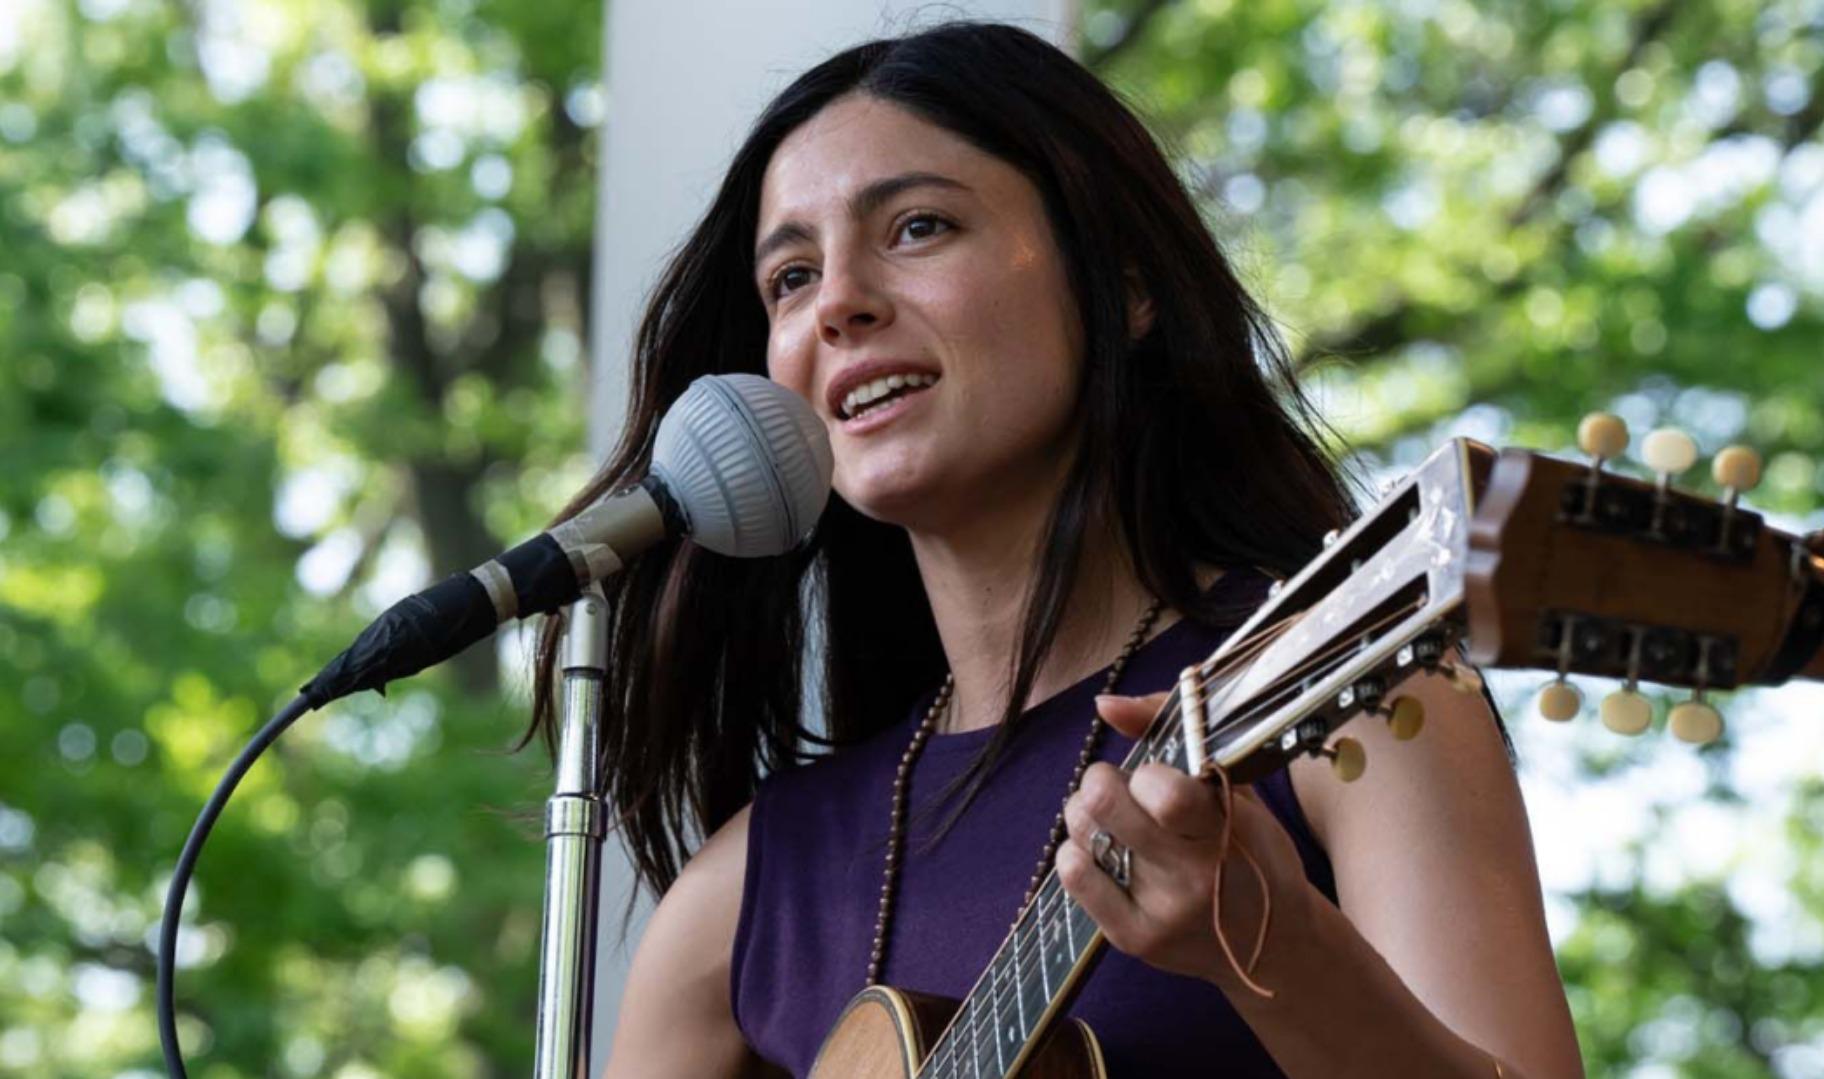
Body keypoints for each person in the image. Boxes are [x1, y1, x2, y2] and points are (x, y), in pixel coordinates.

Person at [536, 21, 1582, 1078]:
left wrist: (1279, 948)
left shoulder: (1350, 694)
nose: (838, 302)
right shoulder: (745, 892)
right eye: (791, 277)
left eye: (918, 226)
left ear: (1123, 284)